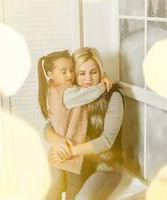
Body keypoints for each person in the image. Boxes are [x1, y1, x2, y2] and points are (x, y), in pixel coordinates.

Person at [45, 47, 124, 200]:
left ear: (100, 71)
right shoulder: (74, 95)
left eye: (93, 72)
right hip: (80, 163)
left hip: (105, 166)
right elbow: (50, 124)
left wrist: (69, 152)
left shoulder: (112, 96)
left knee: (82, 198)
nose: (88, 79)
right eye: (82, 73)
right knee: (52, 182)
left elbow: (106, 141)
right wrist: (56, 141)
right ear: (73, 74)